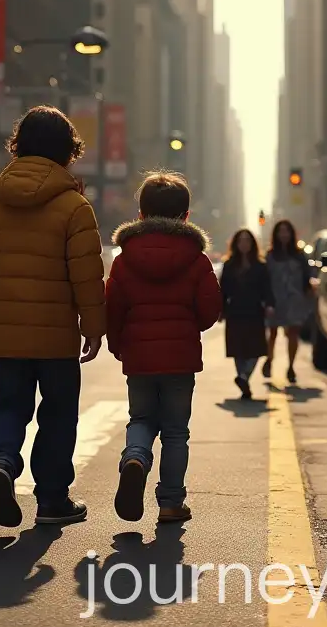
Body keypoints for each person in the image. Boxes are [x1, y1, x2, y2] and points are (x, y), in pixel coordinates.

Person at [0, 105, 106, 529]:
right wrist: (94, 328)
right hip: (57, 339)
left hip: (7, 335)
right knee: (58, 413)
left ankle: (3, 465)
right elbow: (87, 274)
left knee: (8, 405)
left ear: (18, 145)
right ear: (68, 151)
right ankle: (51, 500)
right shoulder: (74, 207)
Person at [106, 171, 222, 524]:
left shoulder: (124, 259)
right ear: (186, 216)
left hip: (139, 358)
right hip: (180, 359)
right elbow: (209, 312)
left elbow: (113, 306)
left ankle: (135, 458)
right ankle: (171, 502)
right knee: (175, 432)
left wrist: (116, 342)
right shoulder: (198, 260)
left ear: (141, 214)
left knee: (140, 418)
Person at [218, 229, 272, 400]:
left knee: (255, 348)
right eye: (241, 240)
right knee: (238, 348)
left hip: (255, 311)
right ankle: (243, 379)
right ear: (235, 244)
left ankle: (244, 376)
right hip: (235, 310)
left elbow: (267, 288)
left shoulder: (260, 265)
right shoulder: (229, 265)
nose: (244, 244)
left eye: (247, 240)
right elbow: (223, 290)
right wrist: (221, 311)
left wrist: (270, 305)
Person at [263, 219, 313, 384]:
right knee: (273, 333)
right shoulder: (270, 256)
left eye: (287, 231)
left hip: (294, 299)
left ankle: (291, 366)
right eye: (280, 231)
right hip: (275, 299)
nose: (283, 234)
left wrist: (308, 296)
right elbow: (265, 279)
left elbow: (307, 277)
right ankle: (270, 360)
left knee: (293, 333)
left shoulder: (299, 256)